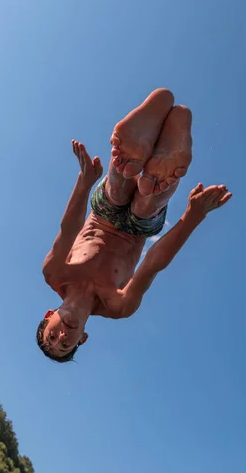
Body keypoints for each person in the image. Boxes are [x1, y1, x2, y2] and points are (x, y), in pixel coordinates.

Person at [38, 89, 232, 363]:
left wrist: (85, 182)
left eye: (52, 337)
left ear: (49, 316)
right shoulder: (118, 305)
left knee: (115, 192)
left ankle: (127, 159)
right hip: (137, 230)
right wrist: (193, 216)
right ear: (83, 338)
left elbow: (69, 228)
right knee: (146, 206)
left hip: (102, 214)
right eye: (66, 346)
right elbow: (152, 263)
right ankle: (157, 176)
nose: (62, 337)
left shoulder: (55, 273)